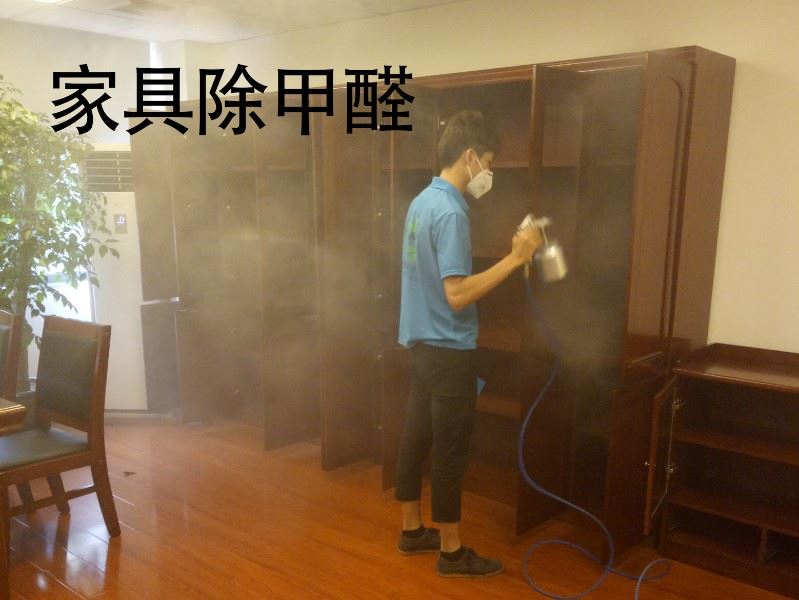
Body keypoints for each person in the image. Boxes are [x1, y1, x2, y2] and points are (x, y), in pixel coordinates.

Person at [394, 110, 542, 577]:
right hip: (447, 349)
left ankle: (412, 531)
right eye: (489, 162)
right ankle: (452, 552)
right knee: (450, 452)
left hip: (420, 345)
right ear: (471, 156)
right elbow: (456, 294)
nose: (489, 173)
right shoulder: (452, 211)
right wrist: (516, 258)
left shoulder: (421, 203)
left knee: (416, 436)